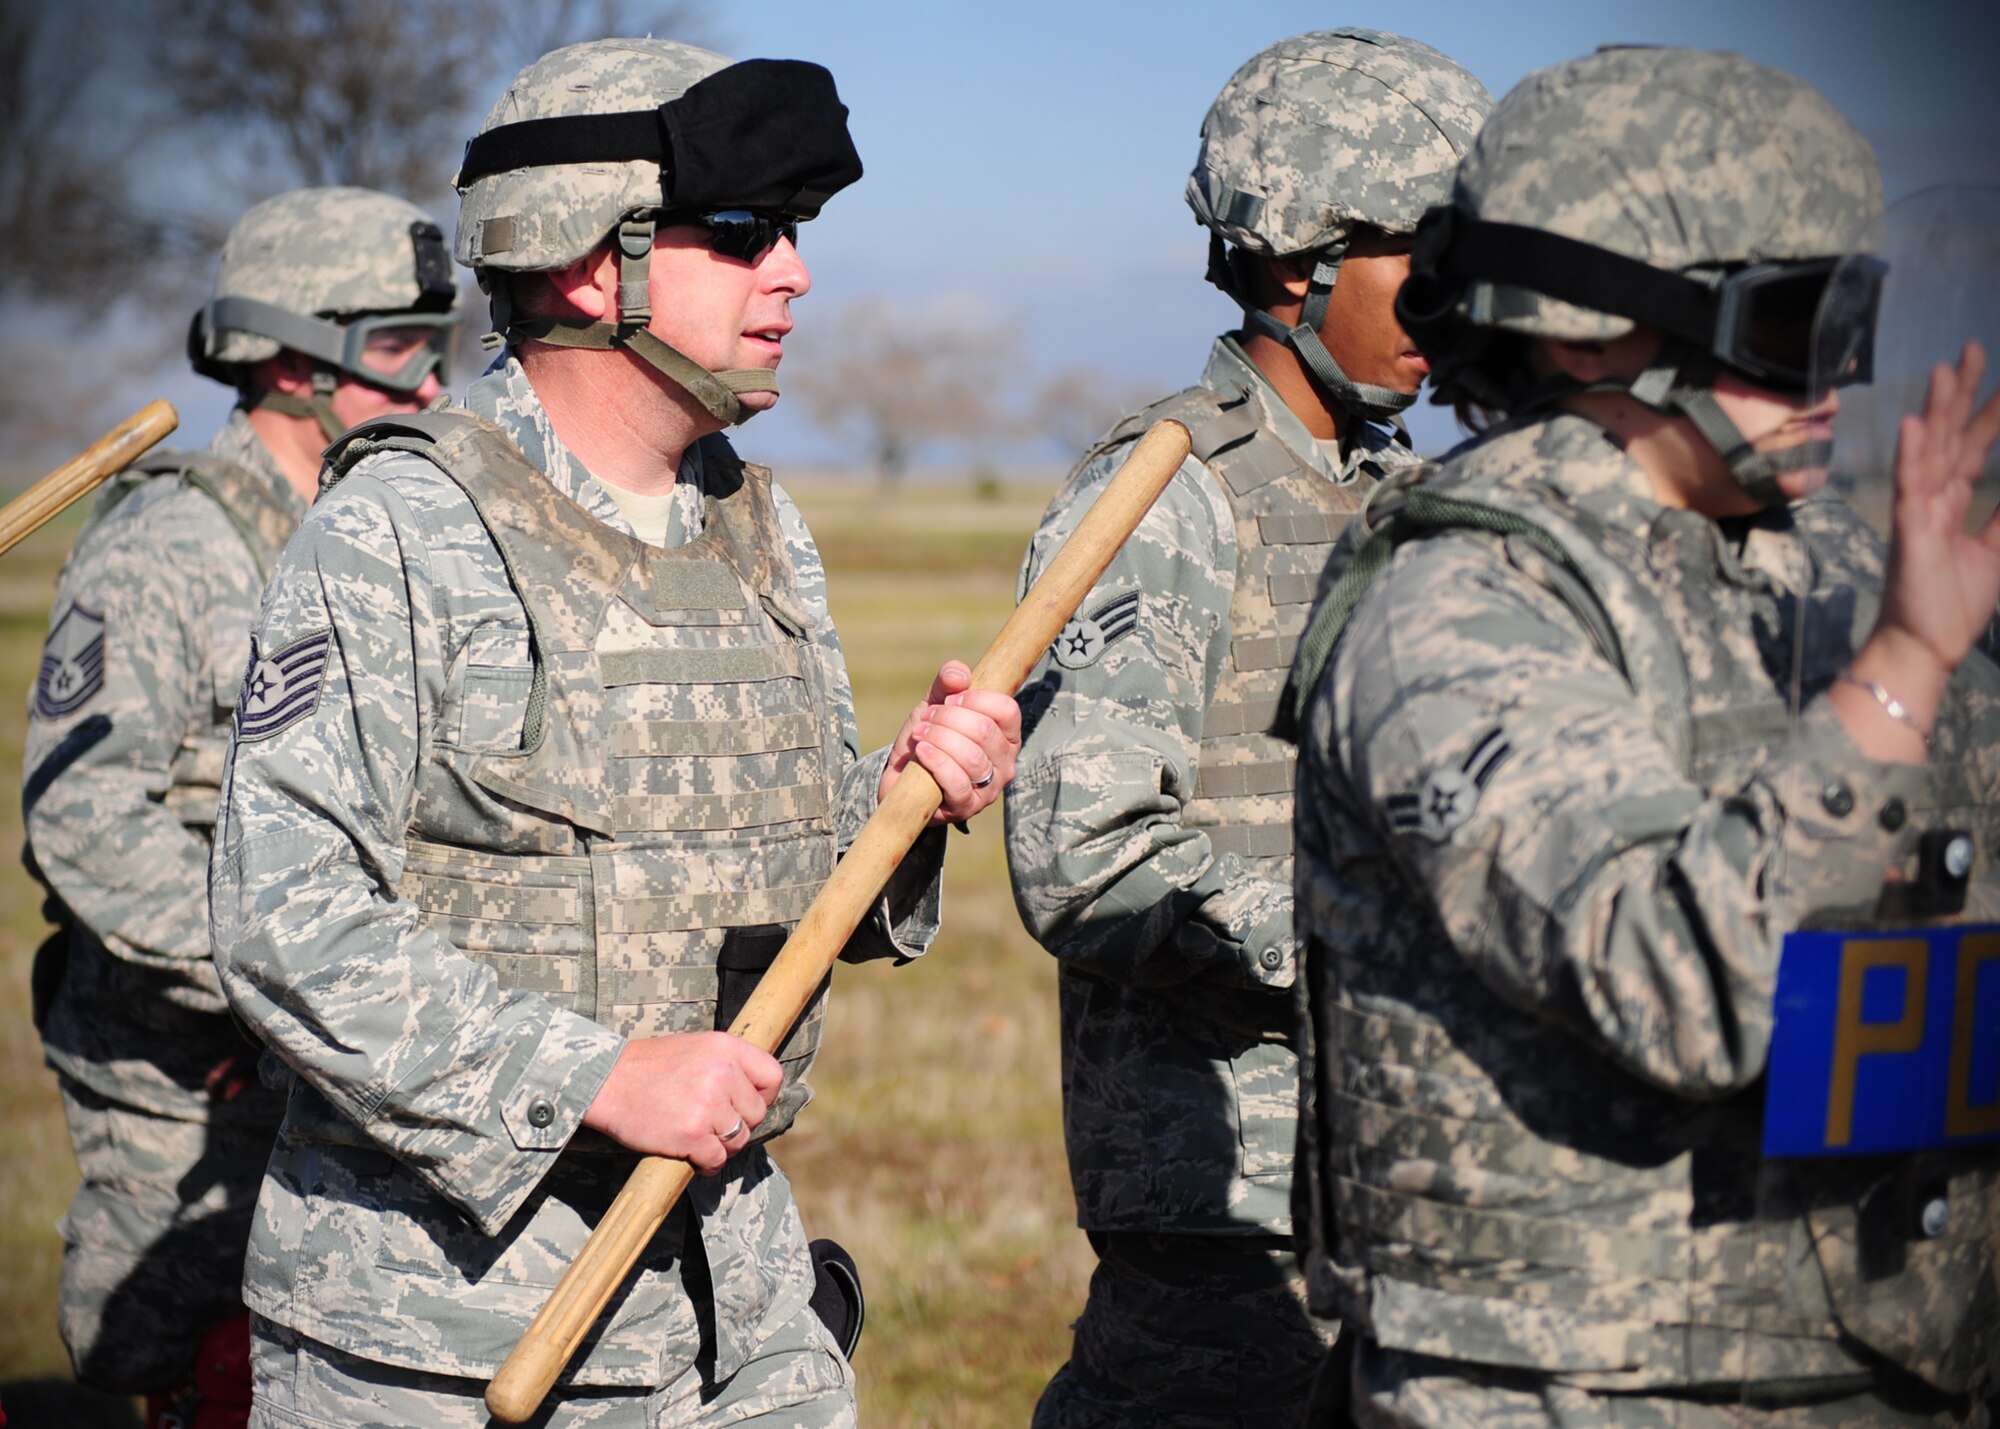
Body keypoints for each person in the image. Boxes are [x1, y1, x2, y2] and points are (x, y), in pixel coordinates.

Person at [208, 38, 1019, 1429]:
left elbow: (794, 888)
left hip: (736, 1305)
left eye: (797, 235)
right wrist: (596, 1077)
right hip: (442, 1339)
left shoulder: (757, 527)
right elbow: (282, 917)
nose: (796, 275)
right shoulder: (403, 530)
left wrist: (908, 805)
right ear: (595, 262)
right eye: (748, 233)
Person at [1288, 47, 2000, 1427]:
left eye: (1864, 324)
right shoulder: (1456, 599)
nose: (1840, 379)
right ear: (1590, 332)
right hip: (1572, 1380)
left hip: (1884, 1360)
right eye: (1797, 326)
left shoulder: (1843, 559)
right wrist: (1906, 668)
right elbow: (1682, 976)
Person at [1003, 29, 1491, 1427]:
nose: (1458, 306)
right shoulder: (1166, 493)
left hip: (1401, 1189)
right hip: (1230, 1218)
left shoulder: (1406, 495)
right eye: (1427, 258)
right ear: (1298, 261)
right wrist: (1370, 943)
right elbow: (1084, 861)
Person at [23, 185, 459, 1429]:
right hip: (193, 1075)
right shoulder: (168, 546)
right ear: (285, 356)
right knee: (197, 1374)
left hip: (355, 1066)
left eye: (437, 344)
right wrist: (276, 971)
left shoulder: (387, 540)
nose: (431, 384)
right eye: (393, 348)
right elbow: (84, 817)